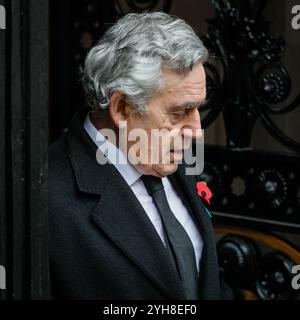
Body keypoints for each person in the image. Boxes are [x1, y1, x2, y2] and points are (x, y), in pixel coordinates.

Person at [49, 11, 233, 300]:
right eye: (179, 112)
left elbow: (207, 280)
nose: (196, 131)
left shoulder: (172, 153)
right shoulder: (45, 197)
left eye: (198, 108)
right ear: (122, 108)